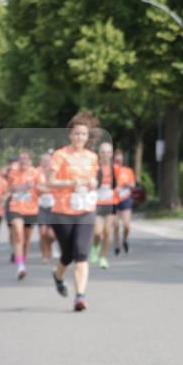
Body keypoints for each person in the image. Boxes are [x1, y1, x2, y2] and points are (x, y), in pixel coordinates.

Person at [47, 111, 99, 312]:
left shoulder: (92, 157)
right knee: (67, 254)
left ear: (88, 137)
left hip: (85, 209)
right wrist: (71, 182)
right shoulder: (60, 156)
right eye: (76, 134)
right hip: (62, 211)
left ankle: (80, 296)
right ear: (70, 135)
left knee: (81, 253)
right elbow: (50, 182)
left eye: (84, 134)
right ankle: (58, 276)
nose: (80, 138)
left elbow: (94, 179)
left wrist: (93, 183)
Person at [7, 150, 39, 279]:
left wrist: (35, 186)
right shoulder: (13, 172)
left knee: (26, 240)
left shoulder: (35, 172)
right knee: (19, 235)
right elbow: (9, 188)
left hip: (31, 210)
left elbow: (43, 187)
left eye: (25, 158)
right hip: (16, 207)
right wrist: (20, 187)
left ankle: (22, 261)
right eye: (21, 158)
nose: (23, 161)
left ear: (30, 160)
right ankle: (20, 266)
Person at [90, 141, 117, 269]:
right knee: (97, 232)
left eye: (108, 152)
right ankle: (95, 247)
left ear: (111, 154)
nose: (106, 154)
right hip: (97, 203)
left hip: (111, 204)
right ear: (99, 154)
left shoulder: (116, 169)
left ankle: (103, 257)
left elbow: (121, 186)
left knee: (107, 232)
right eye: (103, 152)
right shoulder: (94, 167)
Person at [112, 149, 135, 255]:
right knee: (116, 225)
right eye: (116, 157)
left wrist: (127, 185)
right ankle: (117, 245)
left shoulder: (128, 171)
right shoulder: (110, 171)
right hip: (113, 199)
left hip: (125, 198)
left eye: (120, 157)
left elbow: (133, 184)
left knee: (126, 225)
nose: (118, 159)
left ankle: (125, 240)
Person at [36, 152, 56, 263]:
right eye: (44, 161)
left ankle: (51, 246)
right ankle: (44, 255)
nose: (46, 163)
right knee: (42, 232)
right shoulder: (37, 172)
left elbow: (58, 188)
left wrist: (45, 189)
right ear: (40, 162)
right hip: (40, 206)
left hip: (53, 206)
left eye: (48, 161)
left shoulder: (54, 172)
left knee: (52, 234)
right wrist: (50, 189)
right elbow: (37, 188)